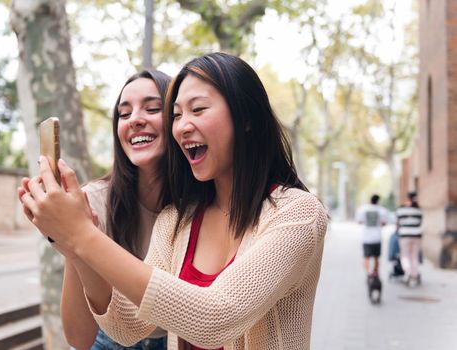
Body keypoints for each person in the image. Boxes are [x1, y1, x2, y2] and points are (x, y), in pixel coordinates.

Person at [19, 52, 328, 350]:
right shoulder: (177, 220)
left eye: (198, 109)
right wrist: (76, 246)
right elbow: (125, 326)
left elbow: (215, 318)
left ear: (246, 118)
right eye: (176, 115)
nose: (181, 126)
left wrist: (81, 234)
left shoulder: (297, 213)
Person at [20, 70, 171, 349]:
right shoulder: (93, 202)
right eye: (124, 114)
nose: (135, 119)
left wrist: (80, 234)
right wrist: (73, 243)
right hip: (112, 339)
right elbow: (79, 338)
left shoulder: (202, 205)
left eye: (152, 108)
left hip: (179, 339)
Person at [356, 194, 388, 277]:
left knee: (366, 257)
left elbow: (359, 222)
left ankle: (368, 274)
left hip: (366, 238)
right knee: (376, 257)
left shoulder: (363, 209)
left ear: (370, 200)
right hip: (377, 238)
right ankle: (375, 272)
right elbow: (384, 223)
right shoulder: (382, 210)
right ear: (378, 201)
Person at [396, 191, 423, 287]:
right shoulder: (419, 209)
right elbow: (419, 222)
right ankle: (414, 275)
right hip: (417, 235)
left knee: (405, 256)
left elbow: (398, 224)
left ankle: (408, 273)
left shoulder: (401, 209)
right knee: (414, 256)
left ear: (407, 198)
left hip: (404, 235)